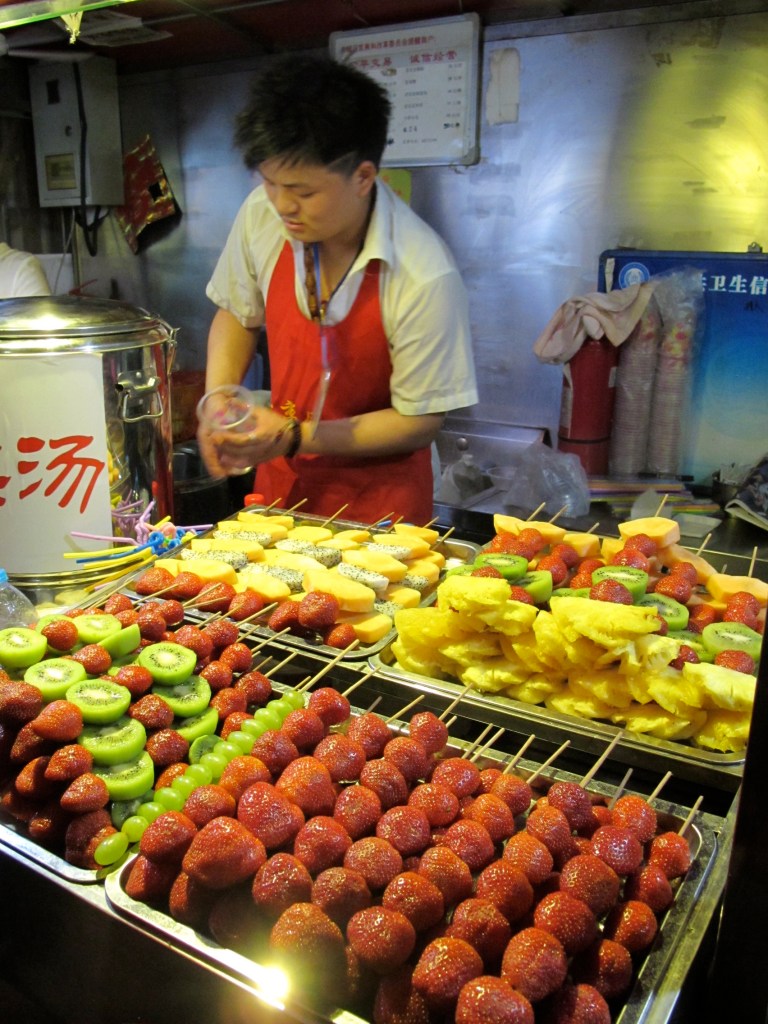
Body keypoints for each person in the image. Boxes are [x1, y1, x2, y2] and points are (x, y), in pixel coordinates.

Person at [199, 54, 477, 524]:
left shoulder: (422, 272)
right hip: (281, 490)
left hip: (379, 509)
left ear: (363, 177)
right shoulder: (261, 216)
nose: (283, 205)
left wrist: (292, 435)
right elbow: (236, 312)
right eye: (270, 183)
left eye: (304, 192)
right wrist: (220, 400)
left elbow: (421, 421)